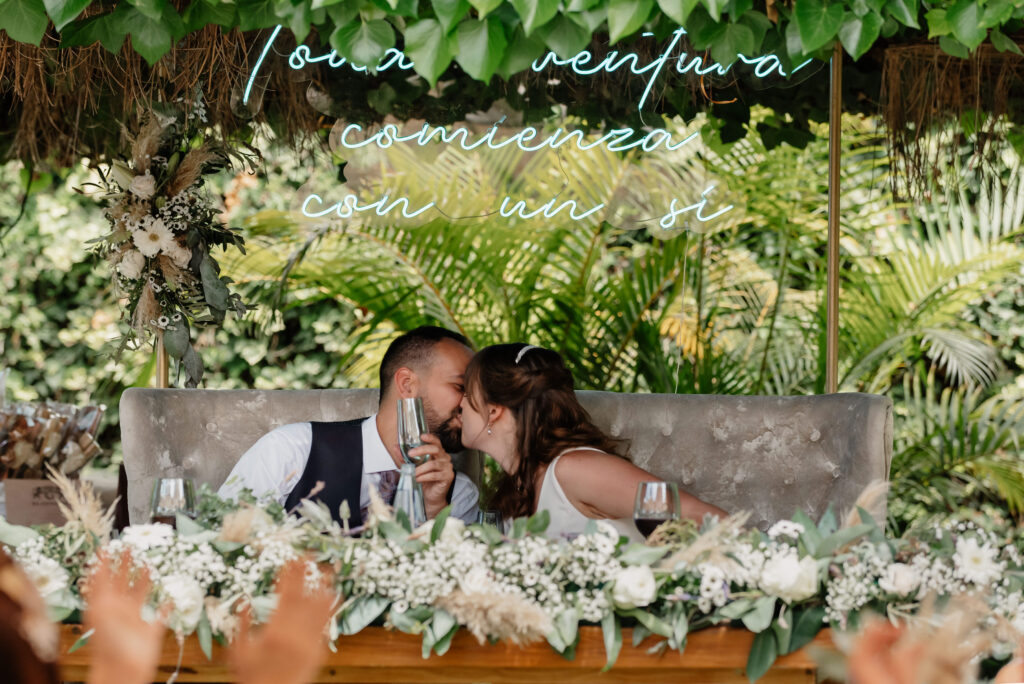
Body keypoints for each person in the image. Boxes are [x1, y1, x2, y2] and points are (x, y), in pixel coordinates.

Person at [459, 343, 724, 541]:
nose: (460, 404)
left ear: (493, 411)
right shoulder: (517, 486)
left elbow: (709, 519)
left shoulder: (576, 469)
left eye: (467, 393)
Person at [219, 326, 479, 526]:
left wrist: (434, 511)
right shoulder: (292, 451)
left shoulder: (458, 494)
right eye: (460, 388)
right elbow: (220, 539)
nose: (471, 405)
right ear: (407, 384)